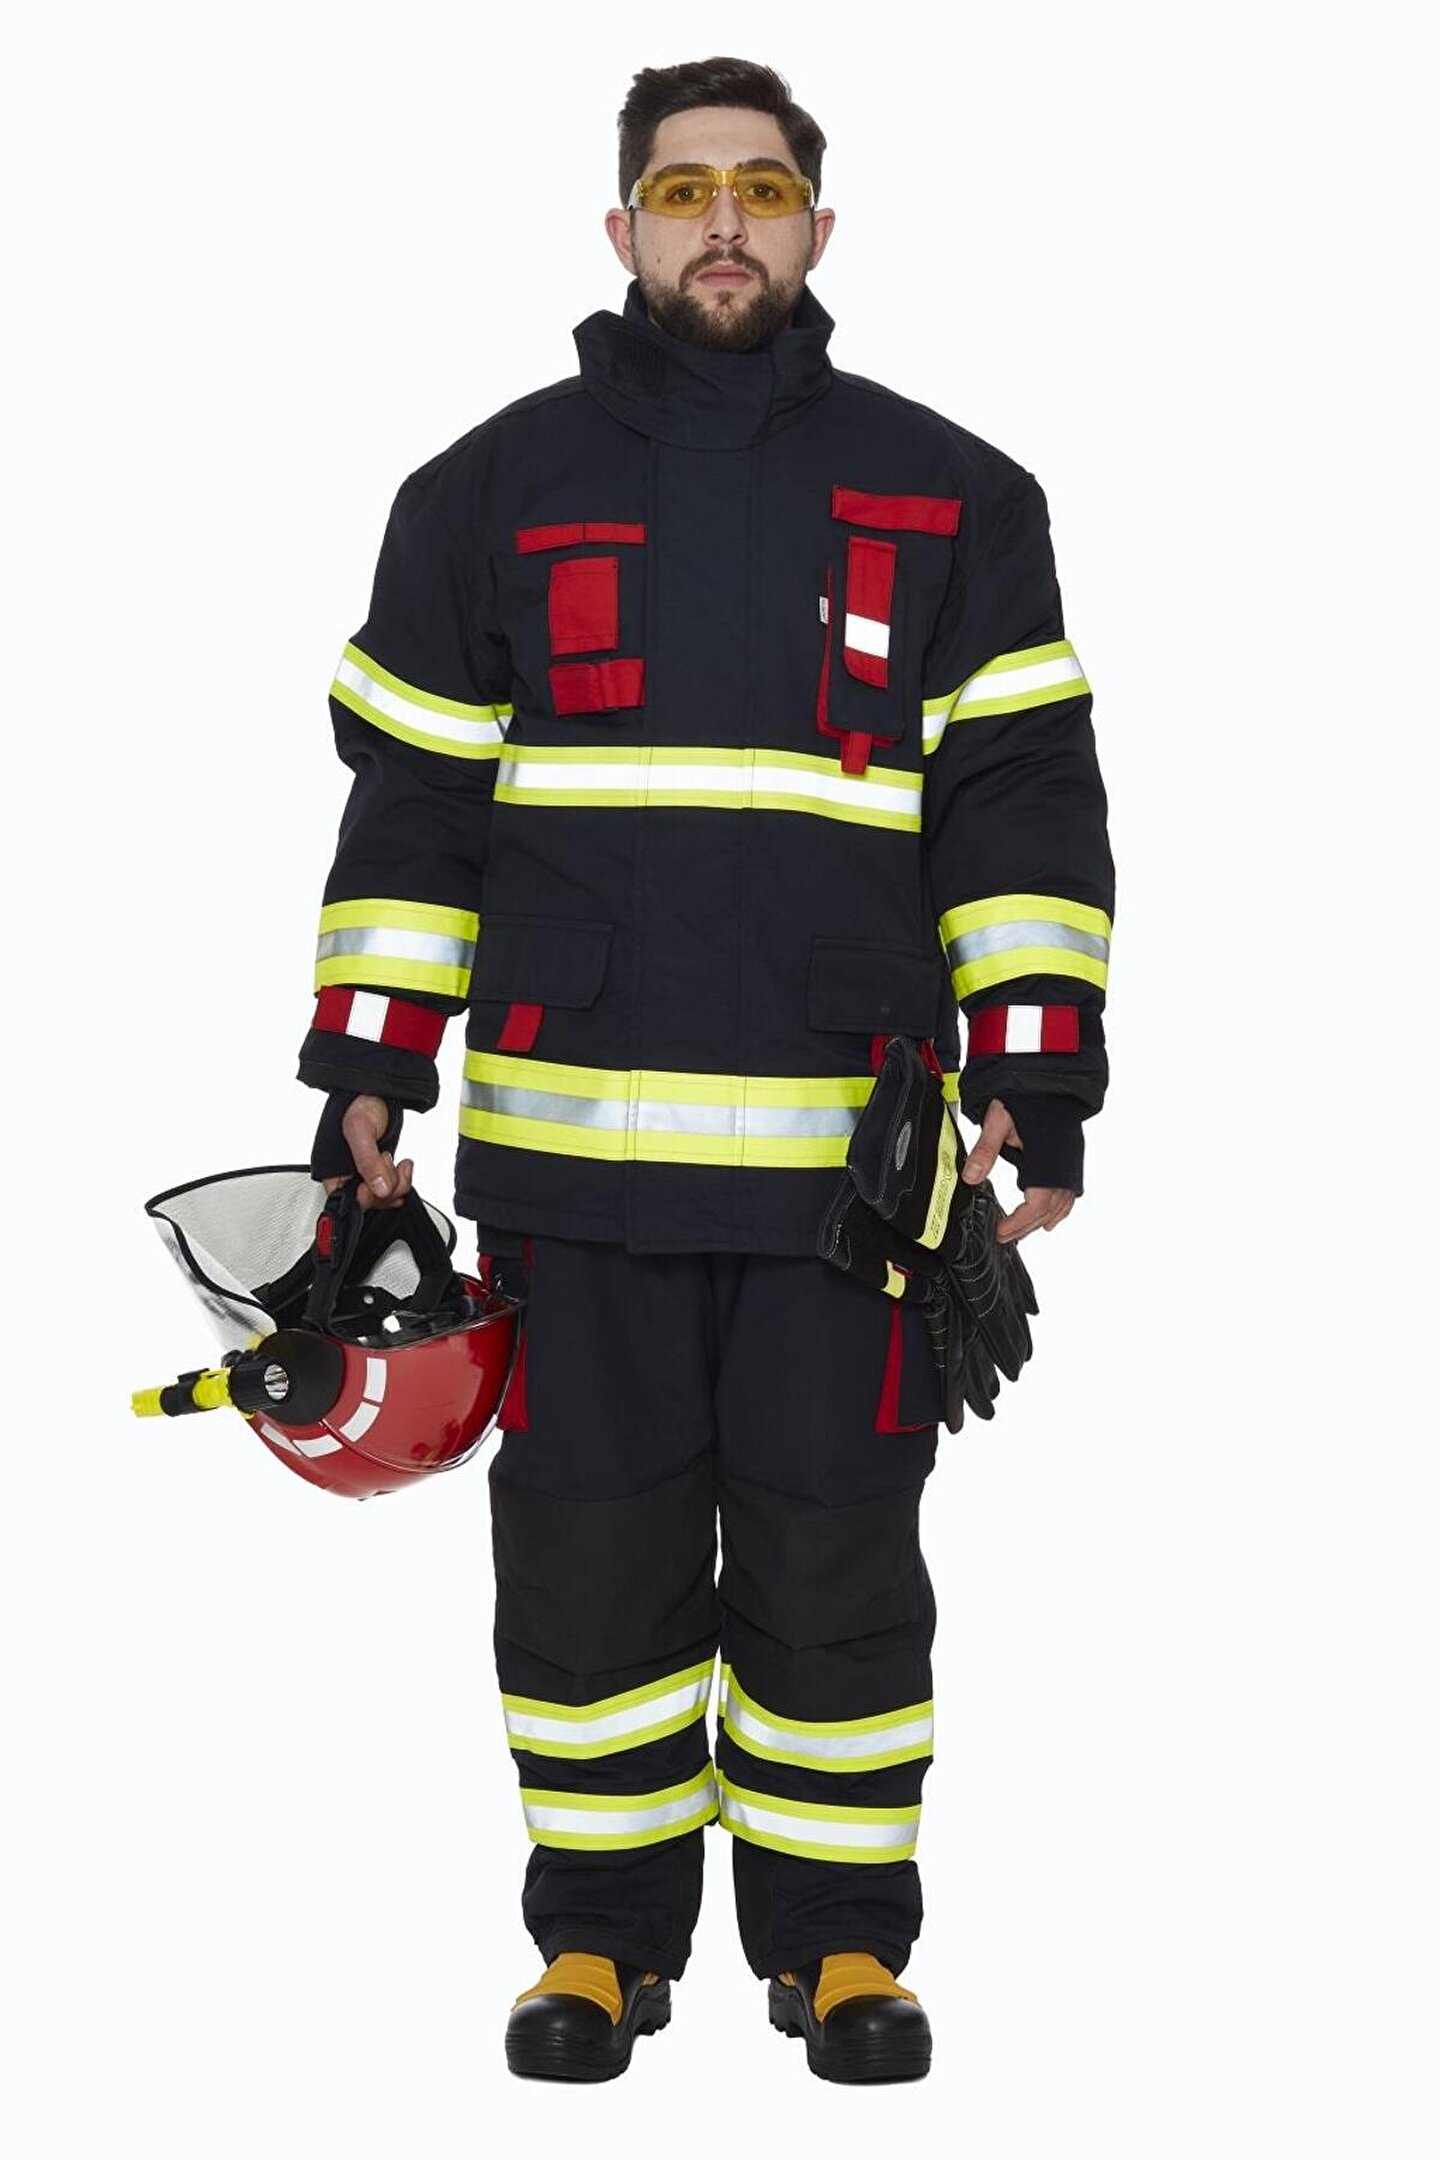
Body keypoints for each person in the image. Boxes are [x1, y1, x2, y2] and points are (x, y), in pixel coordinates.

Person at [301, 54, 1115, 2085]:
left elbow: (1021, 809)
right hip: (570, 1174)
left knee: (842, 1560)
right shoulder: (484, 493)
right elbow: (414, 809)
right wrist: (371, 1060)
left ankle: (840, 1951)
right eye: (684, 192)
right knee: (588, 1562)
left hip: (852, 1185)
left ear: (821, 226)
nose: (725, 221)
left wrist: (1039, 1068)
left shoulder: (959, 497)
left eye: (762, 187)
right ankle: (596, 1943)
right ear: (624, 230)